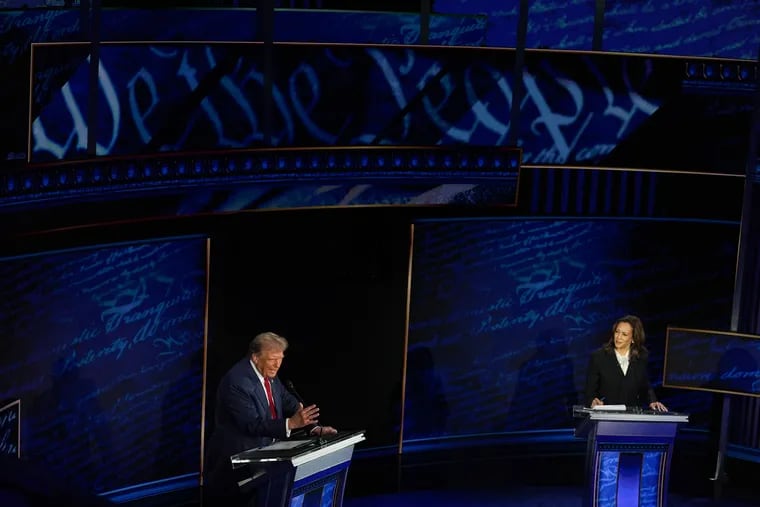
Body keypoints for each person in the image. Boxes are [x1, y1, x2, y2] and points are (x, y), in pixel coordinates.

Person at [204, 331, 337, 503]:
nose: (277, 365)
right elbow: (252, 425)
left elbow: (289, 402)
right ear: (255, 357)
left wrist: (313, 427)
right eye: (272, 359)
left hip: (267, 461)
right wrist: (291, 423)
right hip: (239, 467)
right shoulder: (236, 382)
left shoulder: (269, 376)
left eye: (280, 358)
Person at [584, 315, 668, 412]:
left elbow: (645, 384)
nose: (618, 337)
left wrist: (653, 401)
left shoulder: (641, 357)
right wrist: (592, 401)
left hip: (631, 415)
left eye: (624, 334)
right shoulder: (599, 357)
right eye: (617, 332)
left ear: (633, 339)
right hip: (605, 415)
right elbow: (589, 392)